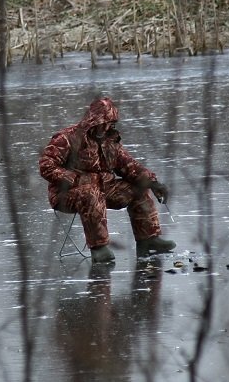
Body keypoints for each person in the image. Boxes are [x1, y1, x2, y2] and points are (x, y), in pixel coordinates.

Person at [40, 97, 175, 262]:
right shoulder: (67, 138)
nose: (109, 126)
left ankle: (149, 240)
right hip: (67, 193)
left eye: (112, 123)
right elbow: (46, 166)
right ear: (95, 121)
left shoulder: (110, 141)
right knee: (91, 193)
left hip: (105, 188)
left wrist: (153, 183)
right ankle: (99, 248)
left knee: (139, 188)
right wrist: (74, 179)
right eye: (107, 122)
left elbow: (129, 165)